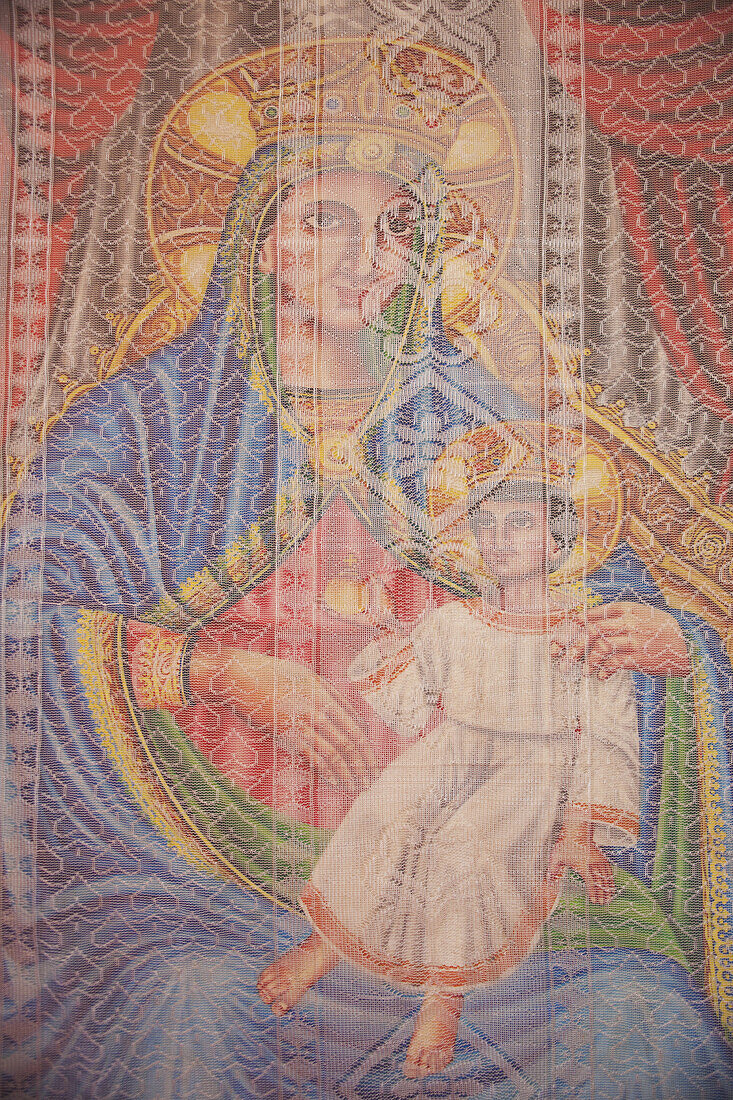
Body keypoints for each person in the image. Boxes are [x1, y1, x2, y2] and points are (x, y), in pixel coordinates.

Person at [4, 127, 733, 1097]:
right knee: (180, 1012)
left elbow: (625, 608)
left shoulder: (482, 417)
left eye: (393, 227)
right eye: (321, 220)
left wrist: (666, 645)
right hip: (204, 874)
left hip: (492, 876)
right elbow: (23, 622)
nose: (362, 256)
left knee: (644, 1022)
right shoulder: (147, 424)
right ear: (259, 244)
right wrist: (206, 669)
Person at [257, 472, 639, 1077]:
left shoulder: (583, 634)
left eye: (518, 522)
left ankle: (444, 998)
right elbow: (411, 709)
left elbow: (606, 733)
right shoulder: (452, 621)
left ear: (558, 537)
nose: (498, 537)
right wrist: (385, 633)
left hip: (531, 770)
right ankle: (325, 948)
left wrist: (581, 826)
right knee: (389, 815)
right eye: (486, 523)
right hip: (451, 751)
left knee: (462, 850)